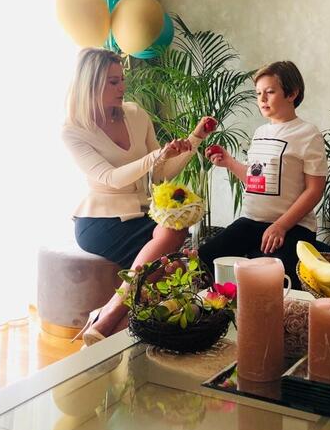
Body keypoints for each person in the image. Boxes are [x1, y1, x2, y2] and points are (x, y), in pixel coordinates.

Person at [62, 48, 215, 345]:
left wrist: (195, 139)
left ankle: (106, 324)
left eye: (122, 79)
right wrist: (156, 156)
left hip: (142, 213)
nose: (122, 87)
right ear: (90, 83)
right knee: (172, 266)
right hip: (100, 220)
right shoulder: (73, 131)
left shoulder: (135, 114)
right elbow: (110, 177)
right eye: (113, 82)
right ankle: (112, 329)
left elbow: (160, 174)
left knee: (174, 237)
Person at [198, 61, 328, 288]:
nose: (262, 99)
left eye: (270, 92)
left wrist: (281, 226)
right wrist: (229, 162)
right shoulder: (260, 132)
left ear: (292, 93)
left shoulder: (308, 134)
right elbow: (256, 180)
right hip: (252, 223)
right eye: (258, 93)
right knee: (204, 258)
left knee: (269, 277)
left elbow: (314, 190)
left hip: (294, 227)